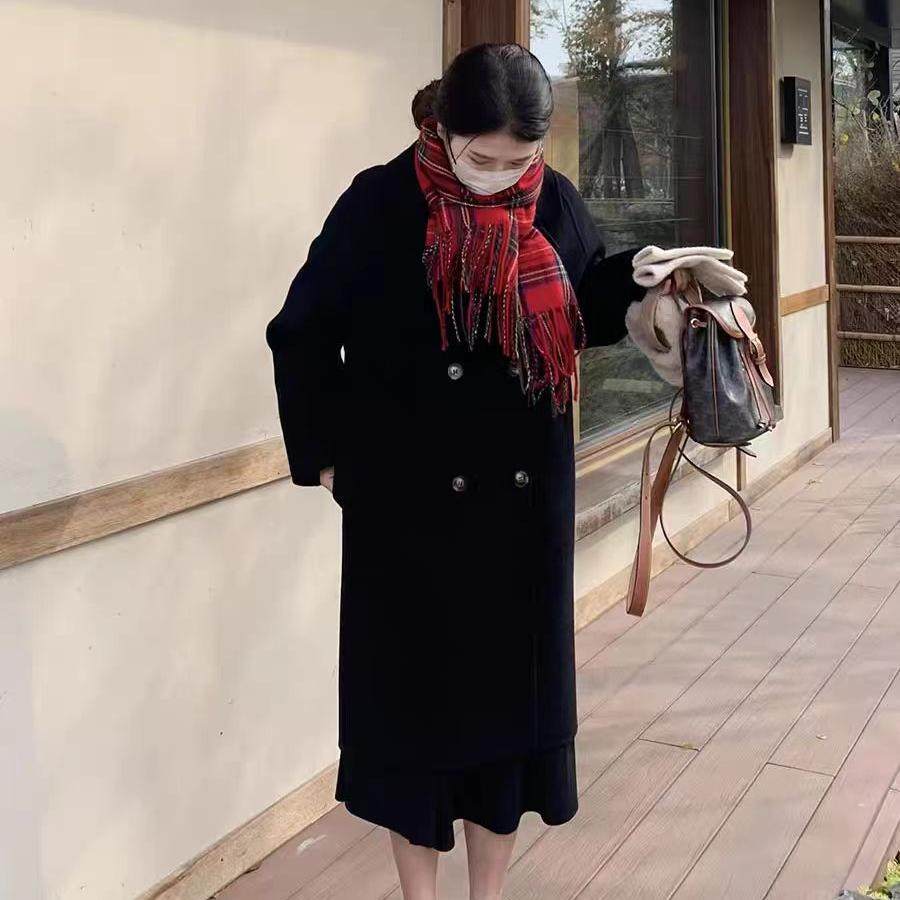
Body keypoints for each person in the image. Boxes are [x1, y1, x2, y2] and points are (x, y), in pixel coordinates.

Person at [265, 42, 746, 900]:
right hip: (407, 508)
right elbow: (299, 333)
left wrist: (652, 285)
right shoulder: (378, 202)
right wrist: (331, 460)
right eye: (481, 159)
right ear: (442, 130)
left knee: (506, 730)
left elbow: (584, 301)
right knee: (413, 726)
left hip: (520, 512)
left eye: (518, 160)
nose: (499, 176)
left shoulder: (551, 197)